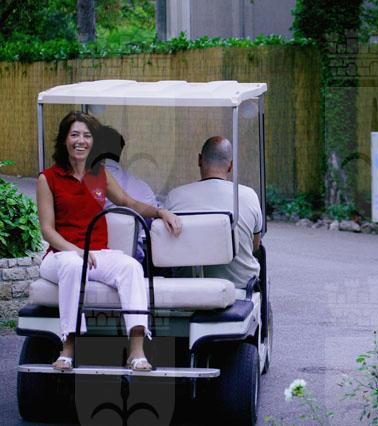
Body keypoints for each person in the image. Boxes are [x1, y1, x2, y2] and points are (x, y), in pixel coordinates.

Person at [37, 111, 182, 371]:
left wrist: (160, 212)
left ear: (94, 142)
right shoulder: (48, 178)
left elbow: (128, 202)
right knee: (73, 264)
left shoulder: (100, 174)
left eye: (87, 135)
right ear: (64, 140)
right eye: (74, 135)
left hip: (97, 255)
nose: (80, 141)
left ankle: (136, 351)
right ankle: (68, 347)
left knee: (131, 267)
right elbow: (47, 230)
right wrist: (76, 250)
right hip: (60, 255)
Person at [165, 136, 262, 287]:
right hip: (240, 288)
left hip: (187, 287)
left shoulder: (175, 196)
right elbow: (255, 246)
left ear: (199, 160)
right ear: (230, 166)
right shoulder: (248, 195)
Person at [90, 125, 159, 263]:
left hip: (90, 257)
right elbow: (150, 232)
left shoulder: (81, 184)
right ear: (120, 151)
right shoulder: (144, 190)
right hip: (132, 261)